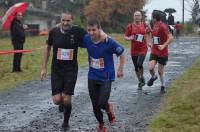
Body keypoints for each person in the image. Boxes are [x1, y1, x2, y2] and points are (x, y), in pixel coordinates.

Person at [40, 12, 107, 131]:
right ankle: (61, 103)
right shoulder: (54, 32)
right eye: (63, 20)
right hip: (56, 69)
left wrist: (103, 34)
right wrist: (44, 67)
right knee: (57, 100)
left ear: (72, 20)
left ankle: (66, 123)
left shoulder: (78, 31)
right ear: (60, 20)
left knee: (66, 98)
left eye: (68, 21)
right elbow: (48, 47)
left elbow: (93, 34)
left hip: (71, 70)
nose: (65, 23)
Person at [81, 18, 125, 132]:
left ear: (99, 29)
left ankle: (109, 109)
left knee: (101, 103)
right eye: (89, 30)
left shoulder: (108, 41)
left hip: (106, 76)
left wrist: (120, 69)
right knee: (95, 104)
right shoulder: (86, 39)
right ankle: (101, 125)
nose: (91, 33)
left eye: (94, 30)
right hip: (92, 76)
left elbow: (122, 53)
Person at [147, 10, 173, 93]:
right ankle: (154, 77)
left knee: (160, 71)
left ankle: (163, 86)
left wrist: (163, 46)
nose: (151, 18)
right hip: (154, 51)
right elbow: (154, 35)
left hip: (163, 52)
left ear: (155, 18)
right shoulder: (154, 25)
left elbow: (171, 38)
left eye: (151, 17)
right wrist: (150, 42)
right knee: (150, 68)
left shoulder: (163, 26)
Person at [124, 11, 149, 90]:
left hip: (143, 48)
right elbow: (125, 36)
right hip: (134, 49)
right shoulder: (130, 26)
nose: (137, 17)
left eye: (138, 15)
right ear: (133, 17)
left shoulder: (145, 25)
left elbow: (150, 33)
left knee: (139, 64)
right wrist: (129, 38)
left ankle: (142, 77)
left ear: (141, 17)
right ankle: (140, 81)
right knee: (136, 67)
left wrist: (149, 42)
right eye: (135, 15)